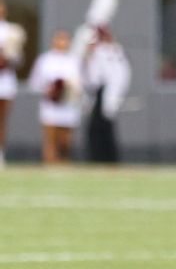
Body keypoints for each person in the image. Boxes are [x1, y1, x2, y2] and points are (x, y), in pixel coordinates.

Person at [28, 30, 81, 165]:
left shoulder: (74, 61)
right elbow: (35, 83)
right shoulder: (44, 60)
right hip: (50, 106)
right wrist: (49, 90)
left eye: (65, 39)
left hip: (68, 106)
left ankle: (63, 164)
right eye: (59, 39)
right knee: (50, 139)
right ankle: (49, 164)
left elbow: (80, 83)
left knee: (65, 141)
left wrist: (71, 89)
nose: (62, 43)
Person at [82, 26, 132, 164]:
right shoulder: (96, 51)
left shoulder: (114, 51)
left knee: (106, 128)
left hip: (107, 92)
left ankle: (108, 159)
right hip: (97, 92)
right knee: (95, 129)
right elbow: (90, 77)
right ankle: (95, 158)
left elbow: (120, 75)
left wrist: (117, 94)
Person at [0, 0, 27, 169]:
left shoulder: (12, 31)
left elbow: (19, 59)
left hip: (5, 80)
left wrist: (7, 58)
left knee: (2, 119)